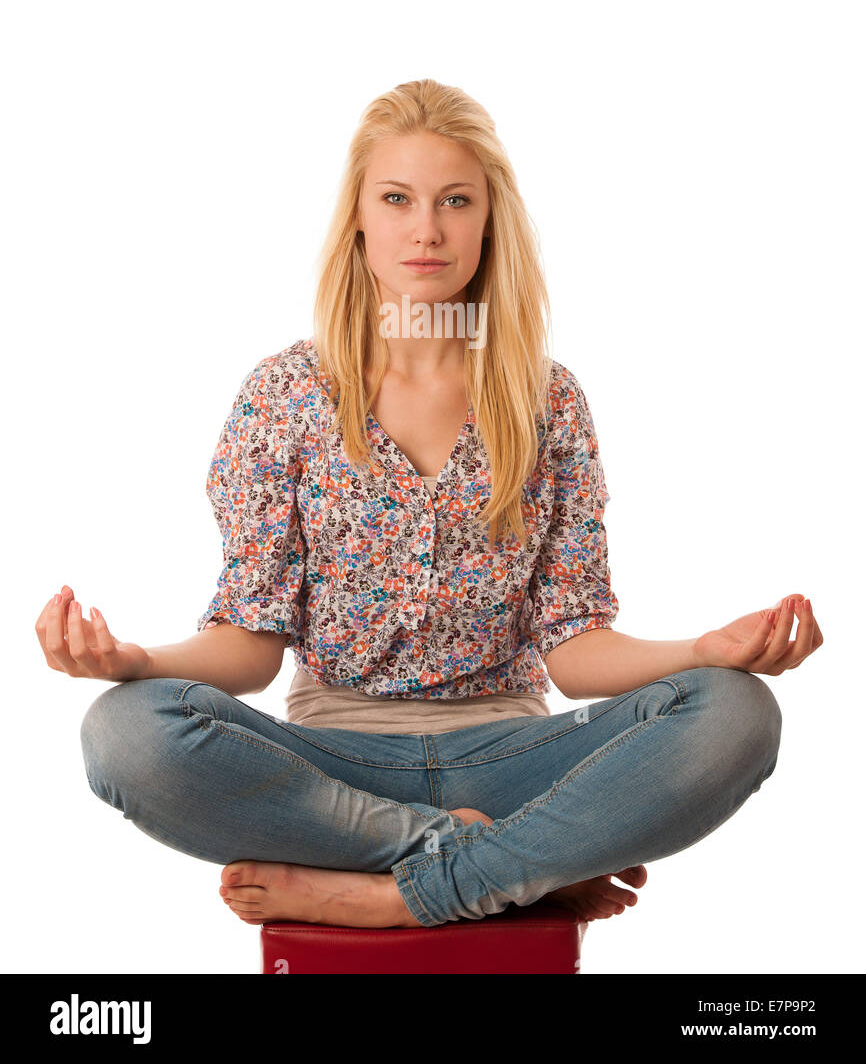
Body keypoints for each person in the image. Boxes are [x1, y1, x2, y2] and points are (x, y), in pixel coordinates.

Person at [37, 79, 821, 934]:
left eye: (456, 200)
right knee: (125, 733)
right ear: (361, 221)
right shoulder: (286, 393)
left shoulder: (546, 401)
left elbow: (576, 646)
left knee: (737, 712)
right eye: (398, 199)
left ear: (489, 222)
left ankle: (402, 891)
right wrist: (131, 661)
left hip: (514, 758)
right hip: (333, 770)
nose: (427, 228)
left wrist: (706, 650)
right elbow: (250, 645)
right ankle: (501, 864)